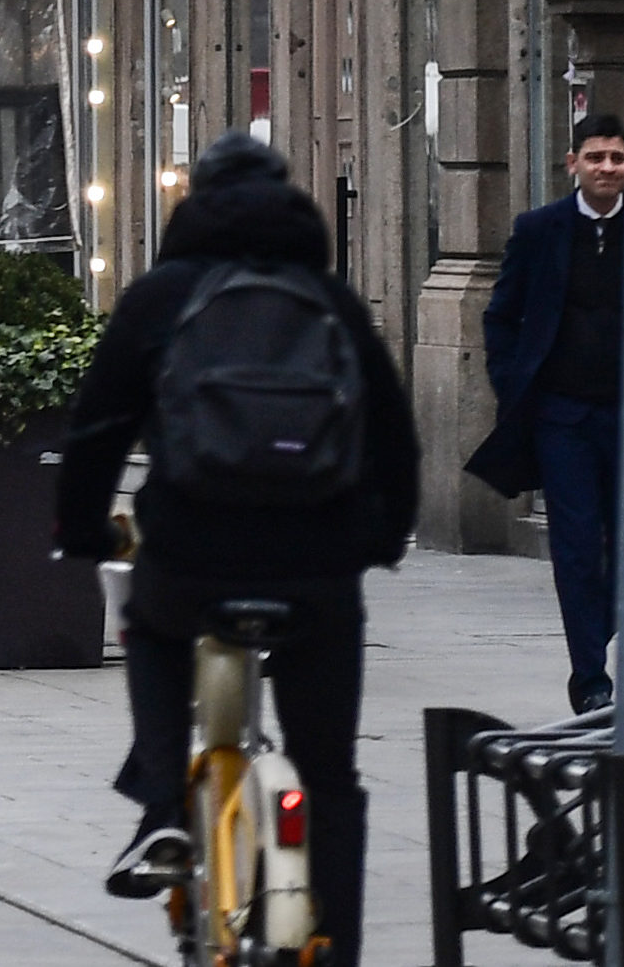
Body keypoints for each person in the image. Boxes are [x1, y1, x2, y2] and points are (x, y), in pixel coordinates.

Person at [52, 135, 417, 955]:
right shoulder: (329, 299)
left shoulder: (162, 297)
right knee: (330, 782)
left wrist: (76, 529)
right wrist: (379, 539)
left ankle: (161, 814)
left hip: (191, 556)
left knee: (150, 628)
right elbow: (394, 436)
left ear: (197, 204)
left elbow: (98, 429)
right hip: (318, 570)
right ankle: (340, 945)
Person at [468, 109, 624, 714]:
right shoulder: (540, 231)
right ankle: (590, 677)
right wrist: (511, 382)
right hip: (563, 418)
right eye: (596, 157)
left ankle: (595, 636)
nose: (607, 167)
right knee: (576, 545)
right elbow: (502, 315)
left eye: (617, 157)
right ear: (573, 164)